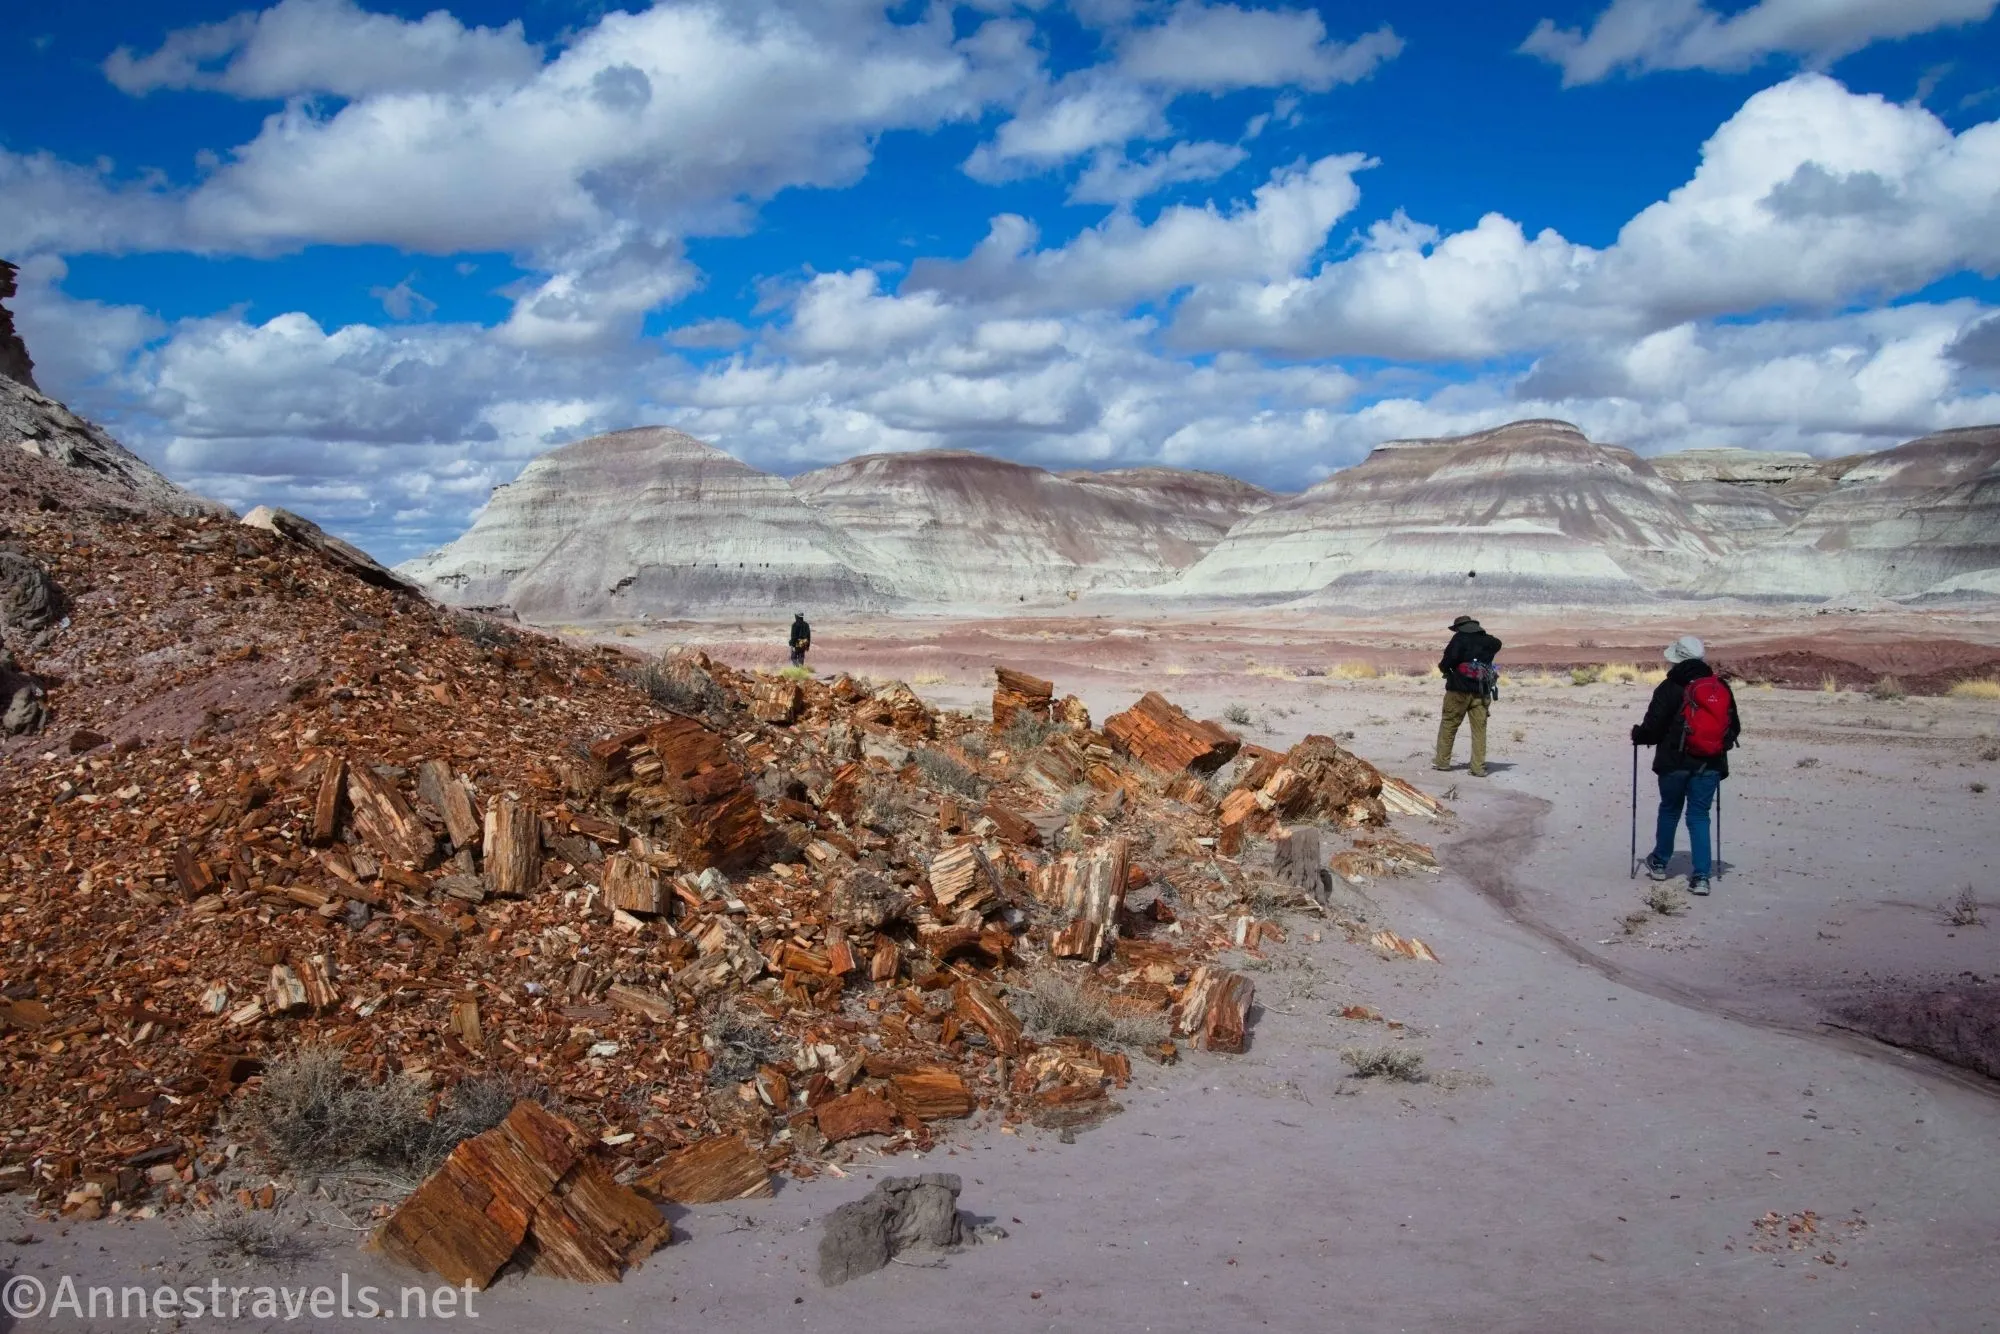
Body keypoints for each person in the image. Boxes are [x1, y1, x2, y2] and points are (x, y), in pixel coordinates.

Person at [1631, 635, 1740, 896]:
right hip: (1710, 764)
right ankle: (1702, 876)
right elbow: (1733, 728)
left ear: (1676, 658)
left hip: (1674, 763)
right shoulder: (1719, 687)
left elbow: (1653, 727)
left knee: (1670, 810)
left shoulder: (1669, 687)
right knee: (1699, 816)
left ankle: (1659, 863)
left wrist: (1639, 735)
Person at [1434, 614, 1501, 777]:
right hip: (1481, 691)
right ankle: (1478, 767)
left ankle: (1443, 762)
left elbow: (1447, 661)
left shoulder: (1459, 639)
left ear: (1459, 628)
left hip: (1458, 690)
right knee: (1479, 730)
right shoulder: (1490, 641)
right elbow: (1498, 644)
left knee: (1449, 724)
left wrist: (1444, 669)